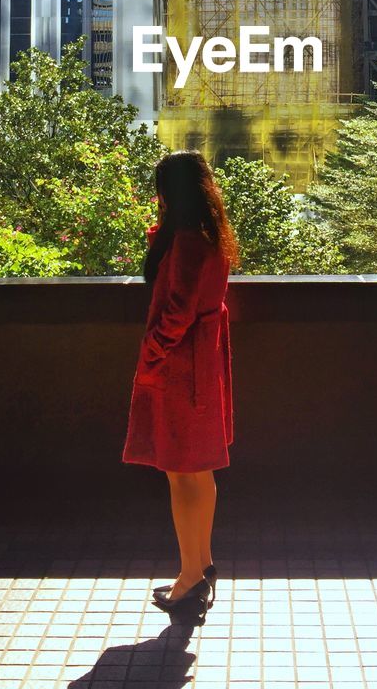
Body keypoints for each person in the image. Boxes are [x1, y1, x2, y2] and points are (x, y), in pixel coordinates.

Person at [122, 150, 238, 621]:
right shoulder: (210, 236)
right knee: (198, 472)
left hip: (179, 367)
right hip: (201, 364)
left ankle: (192, 575)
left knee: (180, 472)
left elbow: (176, 313)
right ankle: (198, 567)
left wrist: (149, 359)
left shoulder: (189, 241)